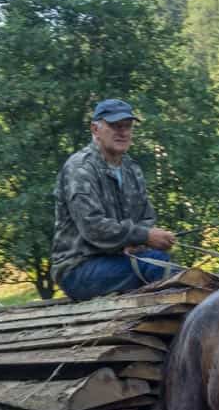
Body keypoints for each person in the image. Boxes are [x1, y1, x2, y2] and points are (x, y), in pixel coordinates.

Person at [52, 98, 179, 301]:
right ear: (95, 129)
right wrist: (142, 236)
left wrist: (138, 242)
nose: (122, 132)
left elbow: (146, 216)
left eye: (127, 126)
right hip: (79, 269)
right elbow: (93, 227)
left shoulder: (132, 169)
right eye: (114, 126)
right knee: (158, 265)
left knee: (161, 264)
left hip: (121, 260)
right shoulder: (80, 169)